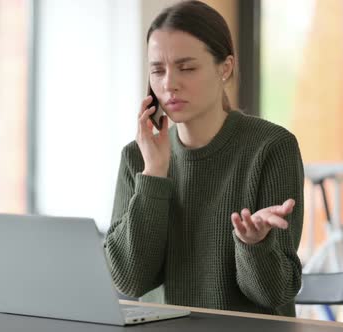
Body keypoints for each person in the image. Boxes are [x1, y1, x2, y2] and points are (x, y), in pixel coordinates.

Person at [103, 0, 304, 317]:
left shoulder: (271, 147)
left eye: (186, 68)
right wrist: (154, 175)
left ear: (224, 68)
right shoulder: (136, 156)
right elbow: (129, 280)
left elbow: (274, 294)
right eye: (158, 70)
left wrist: (253, 245)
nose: (169, 84)